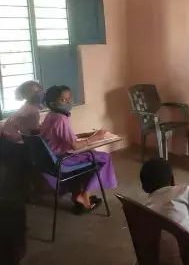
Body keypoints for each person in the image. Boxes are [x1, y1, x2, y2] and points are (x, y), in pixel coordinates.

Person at [40, 85, 117, 214]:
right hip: (63, 159)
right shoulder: (61, 119)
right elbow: (75, 145)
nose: (69, 102)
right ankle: (84, 195)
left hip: (51, 158)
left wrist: (88, 135)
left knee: (93, 155)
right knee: (103, 159)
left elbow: (64, 137)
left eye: (70, 98)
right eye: (63, 100)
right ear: (53, 103)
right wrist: (95, 138)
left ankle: (78, 194)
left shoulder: (51, 115)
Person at [0, 81, 45, 200]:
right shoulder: (32, 111)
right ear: (28, 95)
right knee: (30, 163)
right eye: (35, 92)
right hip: (13, 144)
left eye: (40, 90)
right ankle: (27, 192)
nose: (40, 93)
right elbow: (33, 132)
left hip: (8, 141)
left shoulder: (28, 107)